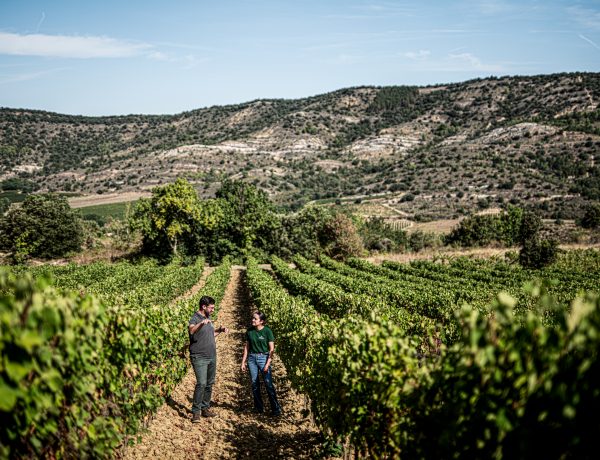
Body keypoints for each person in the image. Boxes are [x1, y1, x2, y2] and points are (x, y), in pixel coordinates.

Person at [189, 295, 229, 423]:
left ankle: (205, 408)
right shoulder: (195, 318)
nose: (213, 310)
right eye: (211, 308)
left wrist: (219, 330)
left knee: (209, 383)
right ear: (203, 306)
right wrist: (201, 323)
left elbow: (210, 334)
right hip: (199, 356)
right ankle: (196, 412)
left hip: (211, 355)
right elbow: (191, 331)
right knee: (201, 383)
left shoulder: (208, 317)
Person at [240, 311, 282, 416]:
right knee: (254, 384)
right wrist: (243, 362)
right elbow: (247, 347)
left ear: (261, 321)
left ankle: (276, 409)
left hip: (264, 358)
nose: (253, 320)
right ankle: (259, 408)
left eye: (255, 319)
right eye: (253, 318)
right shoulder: (249, 331)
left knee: (268, 384)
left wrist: (267, 364)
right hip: (252, 359)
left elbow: (272, 349)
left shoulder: (267, 331)